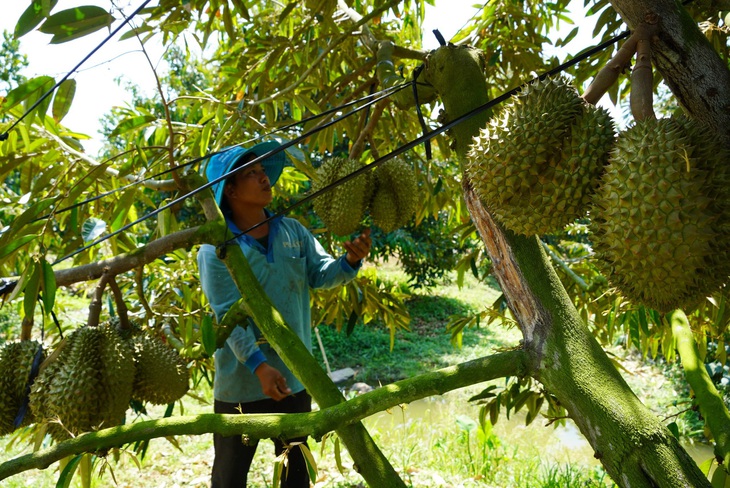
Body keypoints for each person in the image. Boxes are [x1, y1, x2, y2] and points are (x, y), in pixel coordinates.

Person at [197, 141, 372, 487]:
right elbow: (225, 317)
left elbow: (321, 274)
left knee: (296, 476)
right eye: (253, 174)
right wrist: (259, 365)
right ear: (230, 190)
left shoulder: (292, 231)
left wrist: (350, 261)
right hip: (241, 386)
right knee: (229, 478)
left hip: (294, 377)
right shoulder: (215, 250)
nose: (265, 179)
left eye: (264, 172)